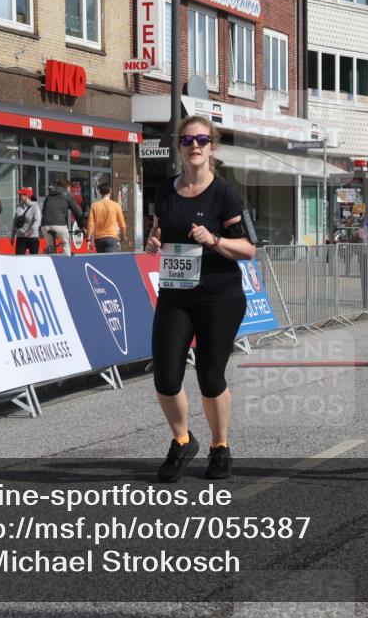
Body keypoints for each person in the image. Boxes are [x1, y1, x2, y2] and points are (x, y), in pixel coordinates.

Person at [144, 116, 256, 482]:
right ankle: (182, 440)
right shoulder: (165, 190)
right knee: (166, 376)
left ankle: (220, 446)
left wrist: (215, 241)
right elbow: (158, 231)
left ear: (212, 147)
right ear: (179, 146)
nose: (195, 145)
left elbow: (248, 250)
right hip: (176, 294)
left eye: (203, 139)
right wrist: (152, 243)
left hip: (219, 296)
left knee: (210, 375)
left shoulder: (225, 194)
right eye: (188, 139)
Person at [41, 178, 85, 255]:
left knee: (50, 246)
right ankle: (67, 263)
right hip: (59, 224)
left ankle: (50, 261)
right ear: (67, 187)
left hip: (45, 225)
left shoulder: (49, 196)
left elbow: (44, 210)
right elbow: (77, 212)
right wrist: (81, 226)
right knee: (65, 243)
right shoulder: (68, 195)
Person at [87, 183, 128, 253]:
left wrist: (88, 240)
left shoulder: (94, 206)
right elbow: (122, 225)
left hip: (98, 239)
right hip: (111, 237)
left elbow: (90, 224)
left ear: (99, 192)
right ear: (110, 191)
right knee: (110, 262)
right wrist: (123, 236)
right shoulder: (116, 206)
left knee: (101, 262)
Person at [12, 187, 41, 255]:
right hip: (20, 237)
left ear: (27, 196)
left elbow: (37, 221)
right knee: (19, 259)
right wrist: (13, 236)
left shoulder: (35, 207)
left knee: (34, 259)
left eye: (21, 194)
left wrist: (30, 231)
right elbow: (15, 222)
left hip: (33, 237)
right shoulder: (19, 207)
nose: (19, 196)